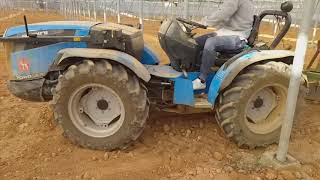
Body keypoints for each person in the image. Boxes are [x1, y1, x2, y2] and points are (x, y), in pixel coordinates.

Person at [192, 0, 255, 90]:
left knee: (211, 43)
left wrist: (204, 22)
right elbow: (222, 12)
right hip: (225, 32)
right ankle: (193, 70)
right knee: (195, 42)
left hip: (238, 36)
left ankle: (202, 80)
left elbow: (222, 14)